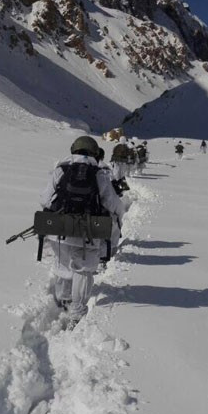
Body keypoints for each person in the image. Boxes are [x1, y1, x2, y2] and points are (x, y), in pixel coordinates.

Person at [39, 136, 125, 327]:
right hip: (88, 230)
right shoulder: (100, 173)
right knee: (83, 271)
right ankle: (76, 314)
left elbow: (45, 199)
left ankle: (63, 301)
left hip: (59, 227)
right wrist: (119, 218)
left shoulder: (61, 169)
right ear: (94, 152)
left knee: (62, 266)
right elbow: (112, 203)